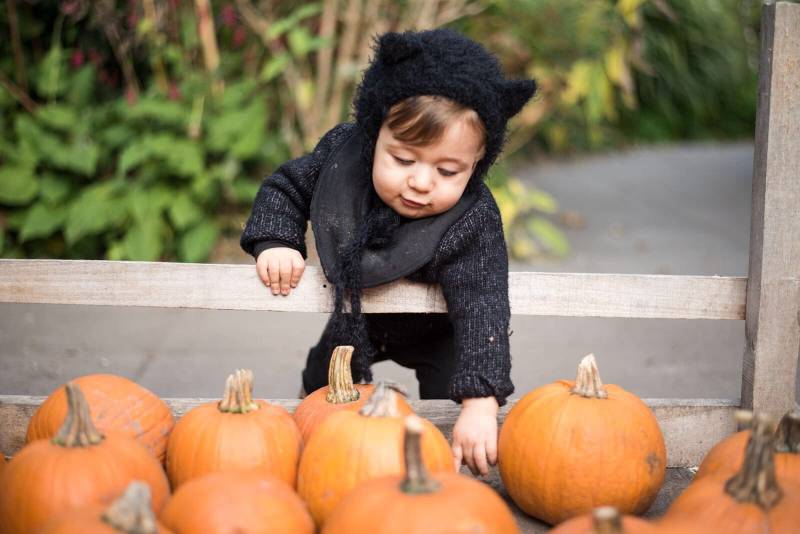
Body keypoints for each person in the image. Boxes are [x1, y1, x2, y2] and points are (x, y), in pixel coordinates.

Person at [240, 28, 536, 478]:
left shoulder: (472, 219)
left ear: (477, 164)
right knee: (324, 380)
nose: (421, 182)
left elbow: (484, 305)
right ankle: (315, 452)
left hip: (438, 330)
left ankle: (433, 470)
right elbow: (286, 188)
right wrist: (277, 241)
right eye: (403, 160)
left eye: (447, 170)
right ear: (373, 132)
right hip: (357, 316)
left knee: (448, 406)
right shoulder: (341, 159)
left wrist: (481, 402)